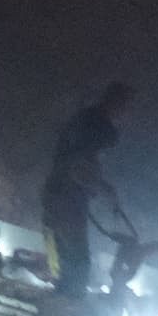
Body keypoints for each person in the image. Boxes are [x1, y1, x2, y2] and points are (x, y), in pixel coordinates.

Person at [41, 82, 136, 289]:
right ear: (120, 104)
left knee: (64, 263)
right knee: (77, 264)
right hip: (67, 199)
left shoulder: (83, 118)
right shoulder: (102, 129)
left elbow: (74, 161)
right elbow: (80, 167)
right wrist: (104, 188)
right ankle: (68, 305)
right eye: (127, 107)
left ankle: (63, 299)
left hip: (55, 195)